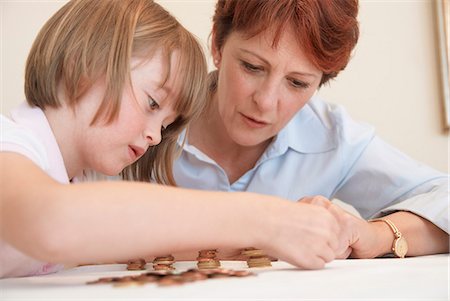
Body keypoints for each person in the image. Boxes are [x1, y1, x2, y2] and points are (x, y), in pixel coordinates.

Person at [0, 0, 348, 278]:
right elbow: (51, 221)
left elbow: (138, 245)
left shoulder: (80, 177)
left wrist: (276, 239)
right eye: (152, 102)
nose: (154, 136)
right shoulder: (10, 144)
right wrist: (267, 219)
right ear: (81, 64)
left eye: (166, 124)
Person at [172, 0, 449, 259]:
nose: (266, 101)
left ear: (319, 83)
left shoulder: (334, 137)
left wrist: (378, 235)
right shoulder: (153, 114)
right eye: (252, 67)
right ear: (218, 46)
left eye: (297, 83)